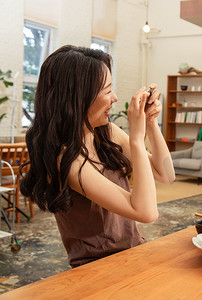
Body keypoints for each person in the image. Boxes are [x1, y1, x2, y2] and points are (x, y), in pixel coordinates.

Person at [20, 45, 175, 267]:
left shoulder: (105, 133)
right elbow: (147, 212)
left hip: (134, 255)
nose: (115, 97)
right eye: (107, 90)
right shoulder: (67, 160)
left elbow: (166, 174)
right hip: (97, 270)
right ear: (78, 97)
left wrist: (151, 123)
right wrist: (136, 139)